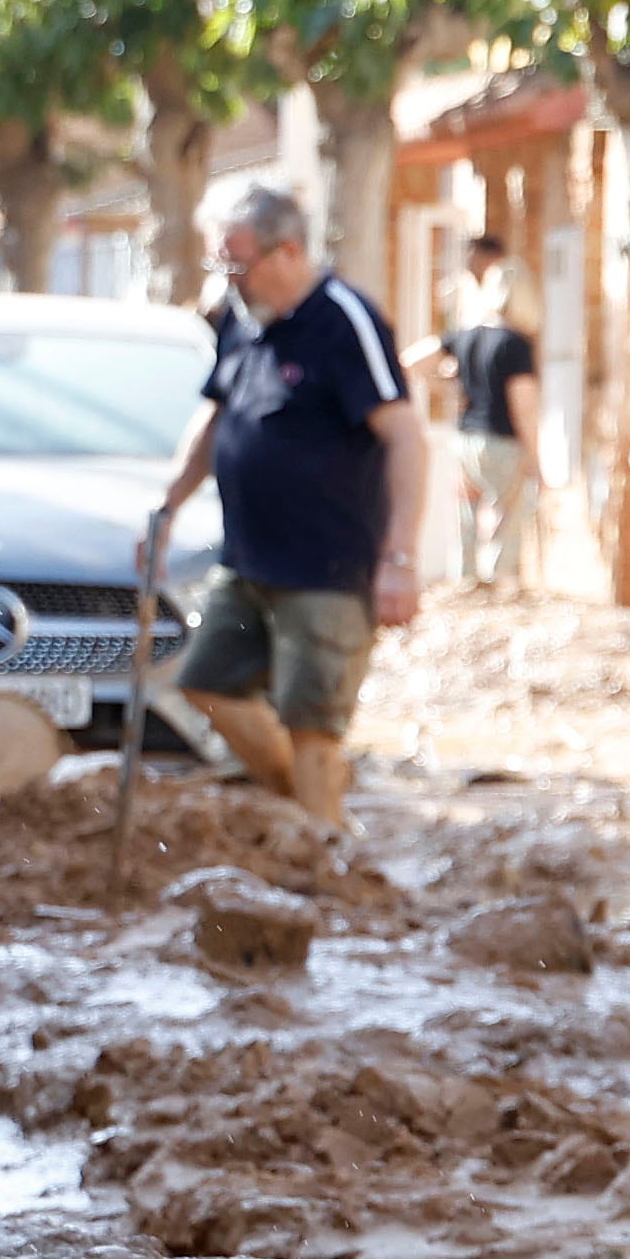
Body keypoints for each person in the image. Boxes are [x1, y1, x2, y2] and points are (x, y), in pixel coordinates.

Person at [145, 178, 427, 828]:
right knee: (205, 683)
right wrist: (169, 507)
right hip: (247, 560)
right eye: (224, 264)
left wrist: (400, 557)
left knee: (312, 724)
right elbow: (216, 421)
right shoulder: (241, 323)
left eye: (239, 265)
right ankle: (308, 815)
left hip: (327, 566)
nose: (230, 280)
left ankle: (322, 857)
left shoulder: (343, 320)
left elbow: (407, 438)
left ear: (289, 252)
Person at [421, 233, 543, 591]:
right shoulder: (515, 344)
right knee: (508, 517)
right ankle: (500, 582)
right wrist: (535, 456)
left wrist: (447, 386)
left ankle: (466, 580)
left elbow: (412, 361)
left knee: (467, 518)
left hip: (465, 439)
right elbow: (523, 405)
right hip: (503, 441)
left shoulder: (466, 336)